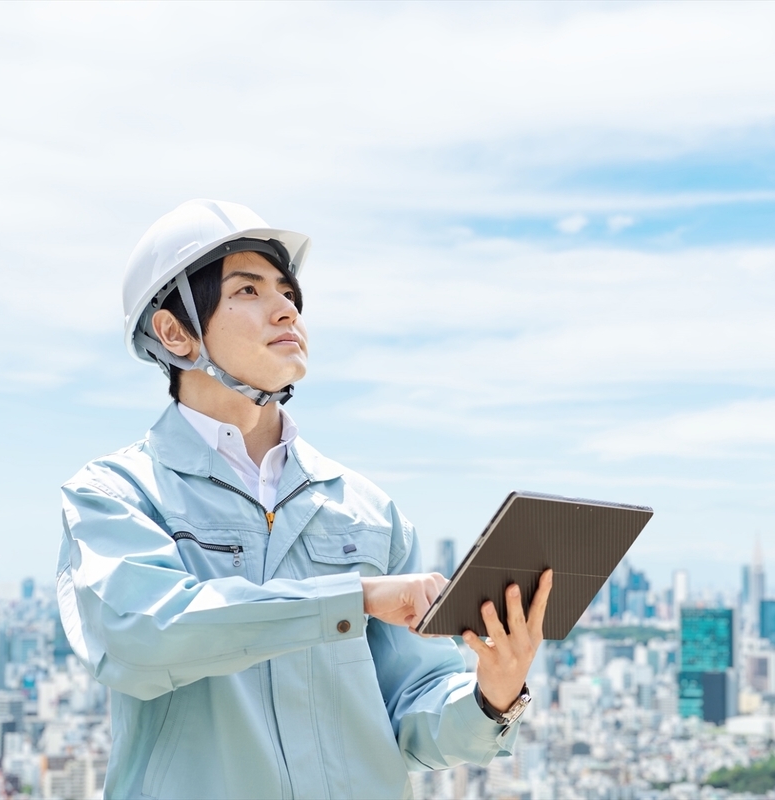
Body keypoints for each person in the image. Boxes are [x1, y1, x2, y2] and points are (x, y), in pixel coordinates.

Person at [56, 199, 552, 799]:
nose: (285, 306)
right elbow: (141, 636)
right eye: (247, 289)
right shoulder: (117, 494)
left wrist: (492, 695)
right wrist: (356, 597)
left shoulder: (369, 512)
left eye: (289, 292)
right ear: (175, 332)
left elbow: (413, 718)